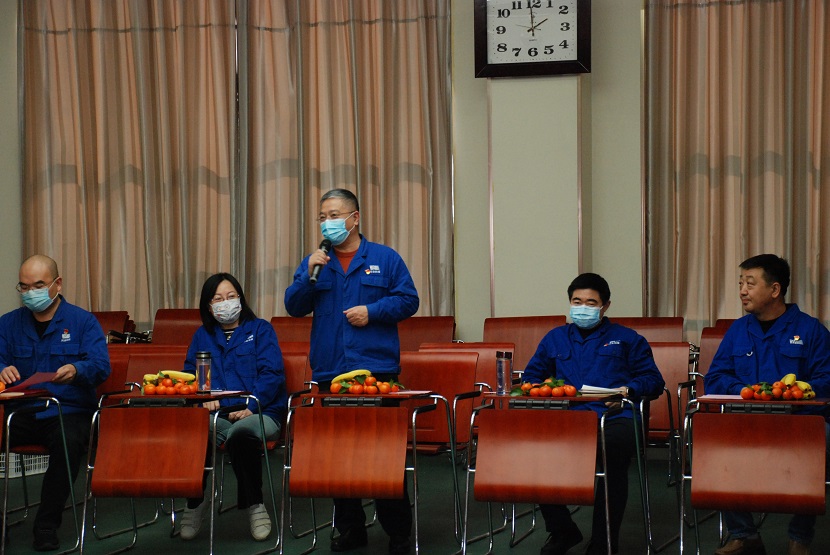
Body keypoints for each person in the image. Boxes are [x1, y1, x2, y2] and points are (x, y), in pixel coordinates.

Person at [284, 188, 419, 555]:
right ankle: (350, 529)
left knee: (383, 454)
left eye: (334, 215)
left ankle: (398, 532)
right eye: (322, 217)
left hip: (376, 372)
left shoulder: (385, 258)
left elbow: (409, 300)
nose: (327, 222)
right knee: (339, 455)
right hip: (330, 371)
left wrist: (372, 311)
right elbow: (294, 306)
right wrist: (307, 275)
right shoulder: (315, 262)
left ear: (354, 218)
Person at [522, 272, 665, 555]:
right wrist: (547, 389)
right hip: (568, 416)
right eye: (577, 302)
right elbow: (531, 378)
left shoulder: (627, 339)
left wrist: (627, 390)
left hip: (616, 417)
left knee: (613, 453)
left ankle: (603, 542)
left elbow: (654, 380)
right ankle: (563, 531)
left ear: (605, 306)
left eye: (591, 303)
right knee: (532, 449)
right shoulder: (555, 338)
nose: (583, 308)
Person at [704, 254, 830, 555]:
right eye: (740, 283)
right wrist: (742, 389)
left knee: (821, 438)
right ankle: (743, 534)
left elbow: (826, 378)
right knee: (714, 440)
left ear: (775, 290)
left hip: (799, 421)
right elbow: (716, 377)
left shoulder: (811, 330)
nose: (742, 291)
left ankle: (800, 537)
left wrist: (793, 393)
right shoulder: (738, 330)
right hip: (746, 420)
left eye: (750, 284)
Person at [0, 254, 110, 551]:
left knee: (67, 442)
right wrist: (1, 368)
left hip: (68, 411)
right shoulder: (8, 324)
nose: (30, 293)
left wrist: (77, 369)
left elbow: (101, 366)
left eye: (38, 285)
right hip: (20, 412)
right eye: (24, 287)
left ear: (57, 284)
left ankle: (46, 524)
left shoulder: (82, 322)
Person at [179, 273, 287, 542]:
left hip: (261, 411)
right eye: (218, 299)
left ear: (240, 298)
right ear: (208, 306)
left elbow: (272, 373)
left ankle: (255, 504)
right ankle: (195, 501)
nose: (225, 303)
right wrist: (203, 398)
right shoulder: (202, 336)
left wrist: (251, 406)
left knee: (240, 435)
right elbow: (190, 375)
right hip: (218, 415)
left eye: (230, 296)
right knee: (195, 429)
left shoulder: (260, 330)